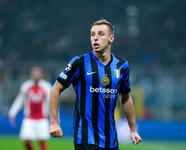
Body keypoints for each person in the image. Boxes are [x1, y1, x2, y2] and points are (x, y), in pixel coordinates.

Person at [49, 19, 142, 150]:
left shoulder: (122, 66)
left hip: (111, 140)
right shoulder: (79, 63)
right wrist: (54, 123)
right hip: (86, 137)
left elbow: (126, 97)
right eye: (92, 34)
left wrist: (133, 129)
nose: (95, 38)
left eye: (100, 34)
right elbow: (56, 89)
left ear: (111, 38)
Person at [8, 67, 52, 150]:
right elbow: (19, 100)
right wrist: (12, 113)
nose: (36, 75)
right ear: (31, 75)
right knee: (26, 140)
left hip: (42, 118)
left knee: (42, 142)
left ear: (41, 75)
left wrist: (55, 120)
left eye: (38, 73)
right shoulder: (26, 86)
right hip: (29, 118)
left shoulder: (46, 87)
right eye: (35, 73)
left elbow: (52, 103)